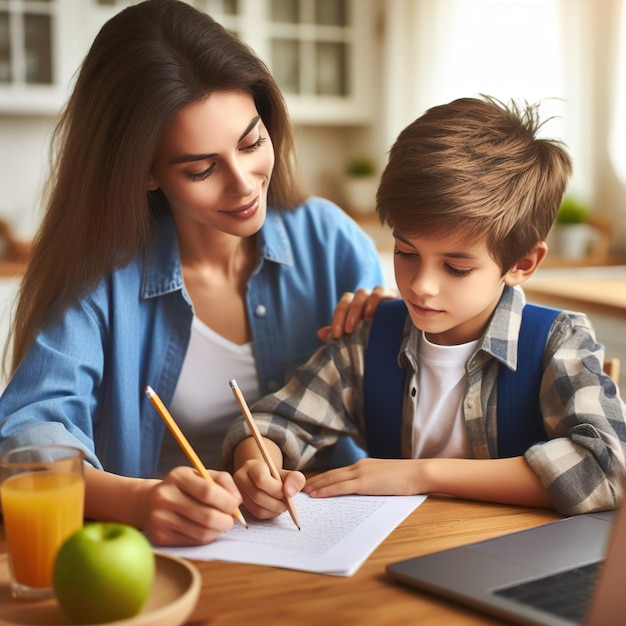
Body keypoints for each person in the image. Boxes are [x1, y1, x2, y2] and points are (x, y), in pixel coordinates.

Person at [0, 0, 392, 547]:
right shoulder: (100, 278)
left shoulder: (330, 241)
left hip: (324, 553)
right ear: (145, 173)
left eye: (252, 142)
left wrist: (405, 337)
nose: (243, 184)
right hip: (157, 564)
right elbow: (24, 439)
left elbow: (413, 427)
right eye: (201, 169)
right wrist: (139, 499)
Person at [226, 95, 626, 522]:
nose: (420, 285)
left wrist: (422, 474)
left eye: (455, 267)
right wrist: (257, 465)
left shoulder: (557, 342)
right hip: (396, 553)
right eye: (406, 252)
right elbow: (274, 422)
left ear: (521, 263)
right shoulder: (369, 337)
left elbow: (607, 469)